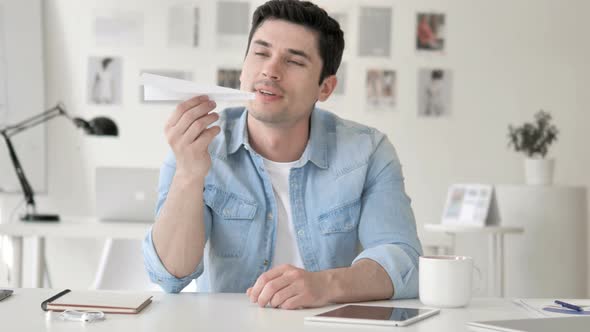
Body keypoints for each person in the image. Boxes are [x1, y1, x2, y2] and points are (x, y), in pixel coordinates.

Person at [143, 0, 422, 310]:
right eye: (261, 53)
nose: (270, 70)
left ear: (325, 88)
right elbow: (170, 275)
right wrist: (188, 175)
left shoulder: (367, 152)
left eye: (294, 61)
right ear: (243, 67)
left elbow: (404, 261)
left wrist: (324, 285)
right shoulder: (197, 145)